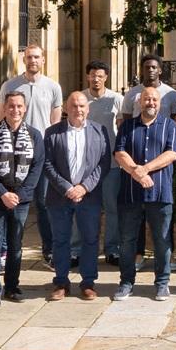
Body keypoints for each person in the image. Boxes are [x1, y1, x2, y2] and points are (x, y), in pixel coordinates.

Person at [113, 85, 176, 300]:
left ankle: (162, 283)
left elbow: (172, 153)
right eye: (146, 99)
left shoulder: (170, 126)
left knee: (162, 240)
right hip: (130, 193)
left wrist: (145, 169)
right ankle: (126, 283)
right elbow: (119, 153)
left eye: (154, 100)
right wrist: (137, 172)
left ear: (160, 103)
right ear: (139, 102)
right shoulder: (127, 126)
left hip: (160, 193)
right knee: (127, 241)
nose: (150, 103)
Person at [0, 91, 45, 308]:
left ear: (25, 109)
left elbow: (36, 168)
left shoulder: (34, 136)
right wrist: (2, 193)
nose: (15, 110)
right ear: (4, 108)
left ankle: (12, 287)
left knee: (16, 245)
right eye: (11, 106)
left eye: (19, 106)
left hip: (20, 200)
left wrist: (20, 195)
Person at [44, 90, 111, 300]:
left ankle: (88, 283)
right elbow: (47, 164)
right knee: (60, 240)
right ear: (66, 108)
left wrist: (84, 187)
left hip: (88, 196)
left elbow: (104, 163)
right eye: (73, 105)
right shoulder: (52, 132)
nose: (78, 110)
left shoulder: (99, 131)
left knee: (90, 239)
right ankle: (61, 282)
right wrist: (67, 188)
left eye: (82, 106)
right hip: (59, 196)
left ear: (88, 109)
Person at [3, 44, 63, 271]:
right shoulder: (10, 85)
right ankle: (7, 251)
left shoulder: (53, 87)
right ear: (24, 59)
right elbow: (2, 117)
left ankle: (49, 251)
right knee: (13, 203)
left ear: (43, 59)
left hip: (42, 155)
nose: (33, 60)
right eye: (29, 57)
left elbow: (55, 123)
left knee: (45, 204)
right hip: (15, 155)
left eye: (37, 57)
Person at [84, 61, 123, 265]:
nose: (96, 79)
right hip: (86, 164)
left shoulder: (116, 99)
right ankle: (81, 248)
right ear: (88, 77)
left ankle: (112, 249)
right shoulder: (81, 99)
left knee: (112, 208)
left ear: (106, 77)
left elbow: (122, 128)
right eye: (93, 75)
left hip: (111, 163)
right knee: (84, 207)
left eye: (100, 75)